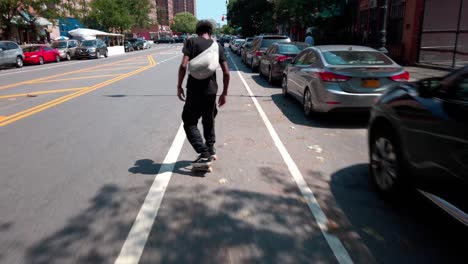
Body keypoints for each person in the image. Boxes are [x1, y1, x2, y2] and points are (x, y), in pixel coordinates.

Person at [177, 20, 230, 167]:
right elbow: (226, 73)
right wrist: (224, 93)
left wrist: (179, 86)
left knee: (189, 121)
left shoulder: (191, 42)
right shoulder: (217, 46)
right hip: (211, 91)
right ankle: (211, 149)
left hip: (194, 90)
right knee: (209, 120)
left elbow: (183, 65)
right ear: (210, 31)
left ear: (197, 30)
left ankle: (204, 152)